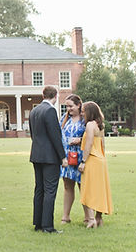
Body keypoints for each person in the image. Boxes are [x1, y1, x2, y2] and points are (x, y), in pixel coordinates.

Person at [29, 86, 69, 233]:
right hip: (50, 157)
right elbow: (55, 136)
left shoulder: (34, 110)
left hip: (36, 154)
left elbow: (33, 134)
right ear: (56, 96)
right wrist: (63, 157)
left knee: (39, 189)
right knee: (50, 190)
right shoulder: (50, 110)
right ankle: (48, 226)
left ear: (43, 95)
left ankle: (38, 223)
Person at [79, 101, 114, 228]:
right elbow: (103, 144)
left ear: (89, 112)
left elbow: (88, 145)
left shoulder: (89, 125)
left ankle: (91, 218)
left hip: (92, 160)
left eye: (83, 110)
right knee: (100, 189)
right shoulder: (100, 126)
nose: (81, 113)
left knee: (88, 189)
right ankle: (99, 218)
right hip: (101, 160)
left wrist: (83, 161)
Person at [59, 94, 85, 224]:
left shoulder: (85, 119)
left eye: (71, 106)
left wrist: (80, 140)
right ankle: (65, 216)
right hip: (67, 158)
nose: (68, 109)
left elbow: (92, 136)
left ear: (79, 105)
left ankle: (88, 217)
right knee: (68, 187)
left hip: (80, 157)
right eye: (67, 106)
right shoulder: (64, 118)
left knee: (83, 187)